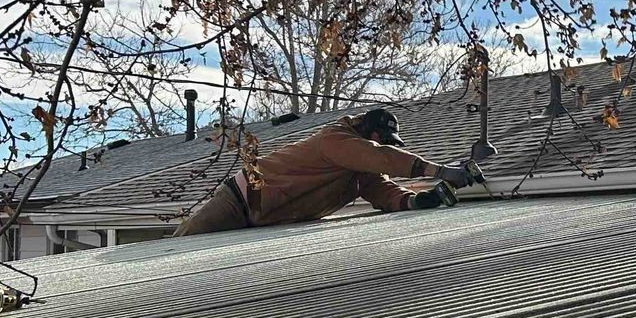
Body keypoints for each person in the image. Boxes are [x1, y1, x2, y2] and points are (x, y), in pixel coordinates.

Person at [173, 108, 480, 237]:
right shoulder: (335, 139)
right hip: (239, 200)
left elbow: (382, 190)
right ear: (365, 130)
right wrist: (443, 171)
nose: (384, 146)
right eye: (381, 139)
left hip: (268, 218)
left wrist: (416, 201)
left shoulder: (359, 168)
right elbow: (381, 157)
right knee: (180, 246)